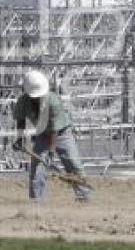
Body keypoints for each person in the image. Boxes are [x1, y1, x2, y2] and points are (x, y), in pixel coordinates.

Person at [13, 70, 92, 202]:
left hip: (62, 133)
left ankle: (84, 196)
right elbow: (20, 121)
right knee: (37, 166)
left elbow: (55, 128)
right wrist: (20, 139)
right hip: (42, 133)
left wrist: (51, 151)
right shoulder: (22, 102)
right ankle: (38, 199)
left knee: (72, 163)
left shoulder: (53, 101)